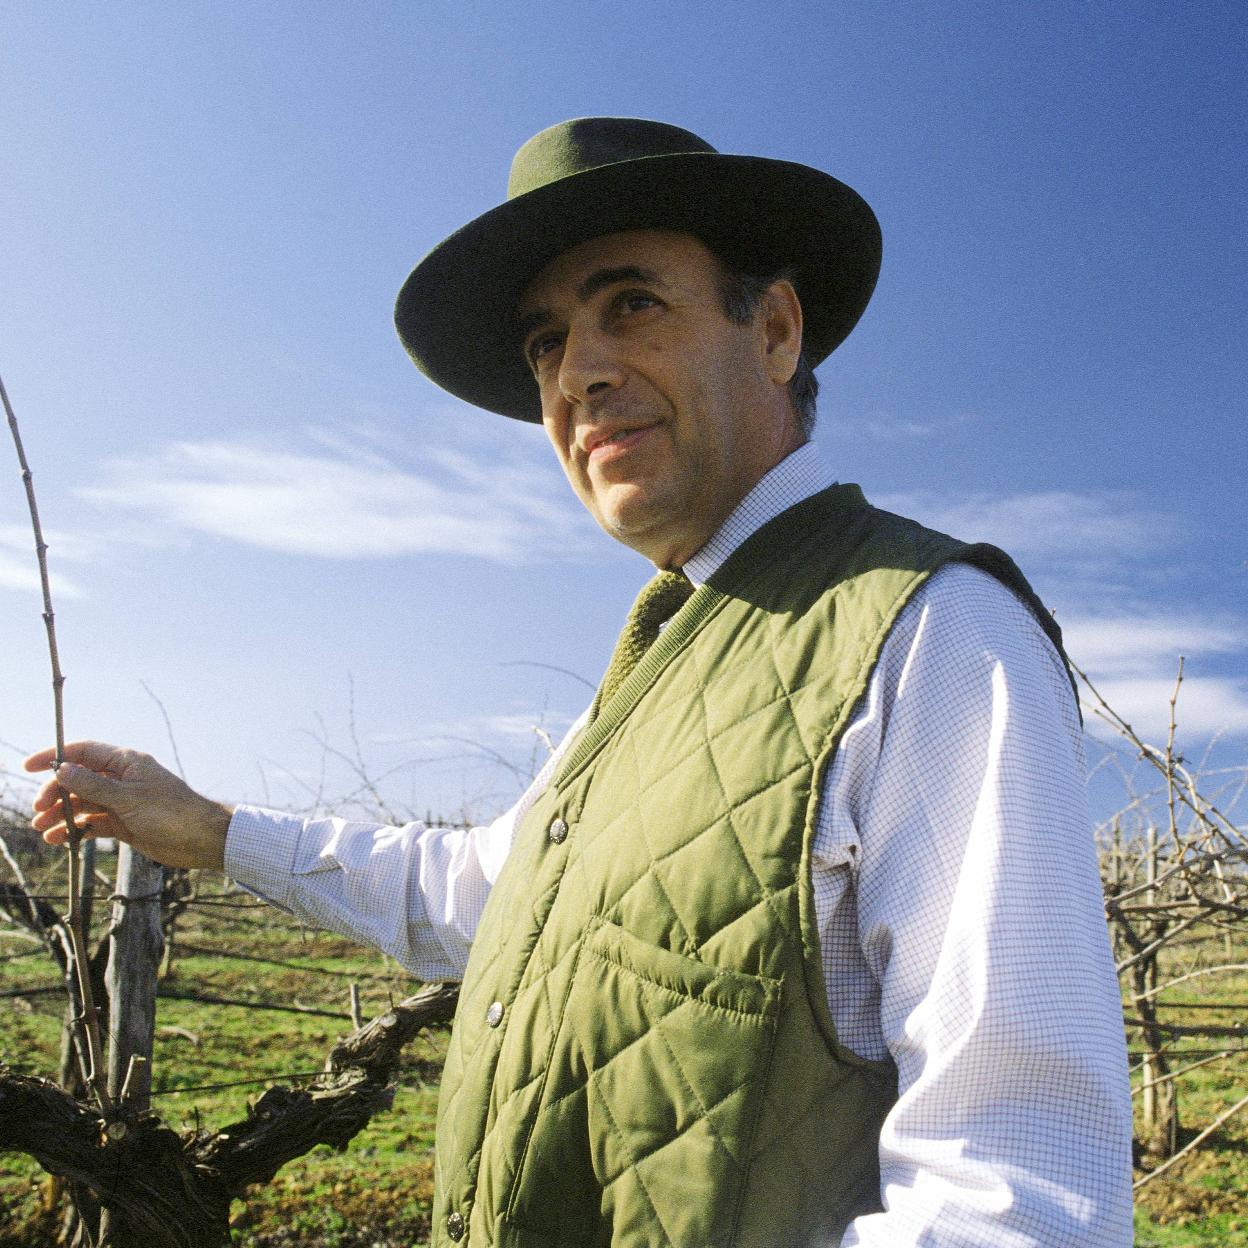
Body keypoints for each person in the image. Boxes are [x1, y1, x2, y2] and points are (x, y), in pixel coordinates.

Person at [28, 118, 1132, 1246]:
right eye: (546, 343)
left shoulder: (932, 637)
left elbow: (1020, 1205)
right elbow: (483, 894)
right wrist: (210, 828)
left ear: (777, 331)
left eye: (632, 305)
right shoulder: (664, 664)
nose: (579, 373)